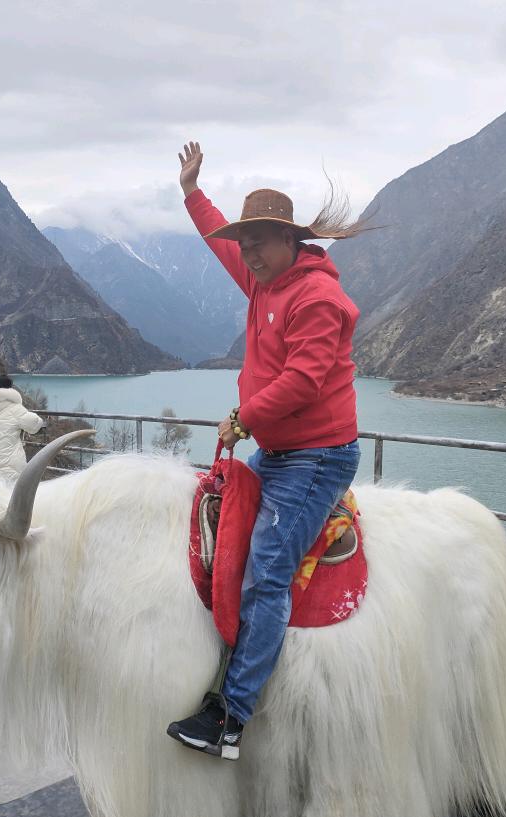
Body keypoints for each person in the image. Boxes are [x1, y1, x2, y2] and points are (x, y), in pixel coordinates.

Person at [167, 142, 368, 760]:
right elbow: (217, 242)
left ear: (290, 241)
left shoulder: (317, 299)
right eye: (244, 241)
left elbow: (305, 381)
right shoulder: (265, 280)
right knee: (214, 527)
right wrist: (191, 193)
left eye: (258, 240)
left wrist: (241, 419)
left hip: (313, 459)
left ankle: (230, 718)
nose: (247, 251)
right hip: (282, 453)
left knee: (265, 571)